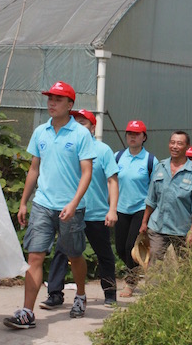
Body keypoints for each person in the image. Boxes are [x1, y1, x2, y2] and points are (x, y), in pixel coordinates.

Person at [4, 81, 96, 329]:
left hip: (71, 207)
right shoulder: (40, 132)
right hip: (43, 204)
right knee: (35, 256)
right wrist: (24, 202)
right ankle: (27, 312)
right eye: (49, 99)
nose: (51, 103)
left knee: (74, 255)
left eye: (58, 99)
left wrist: (74, 203)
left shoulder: (80, 134)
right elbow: (34, 168)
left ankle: (80, 294)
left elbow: (86, 172)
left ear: (70, 105)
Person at [41, 109, 119, 309]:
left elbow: (112, 180)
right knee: (62, 251)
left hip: (95, 213)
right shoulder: (68, 146)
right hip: (69, 211)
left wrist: (112, 209)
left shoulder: (103, 151)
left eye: (83, 123)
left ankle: (109, 292)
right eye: (76, 122)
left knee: (103, 253)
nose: (78, 126)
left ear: (93, 127)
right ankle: (55, 294)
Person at [139, 131, 192, 262]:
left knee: (186, 267)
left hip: (182, 230)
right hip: (158, 227)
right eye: (172, 142)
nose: (175, 146)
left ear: (187, 147)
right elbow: (151, 199)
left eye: (179, 143)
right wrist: (144, 222)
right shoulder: (160, 167)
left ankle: (183, 283)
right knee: (154, 262)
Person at [114, 120, 157, 297]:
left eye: (137, 134)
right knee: (119, 248)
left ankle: (130, 283)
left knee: (130, 247)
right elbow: (111, 182)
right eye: (130, 133)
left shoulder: (151, 161)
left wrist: (149, 217)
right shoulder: (117, 156)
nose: (132, 136)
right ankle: (140, 268)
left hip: (140, 208)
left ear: (144, 137)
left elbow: (155, 190)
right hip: (120, 208)